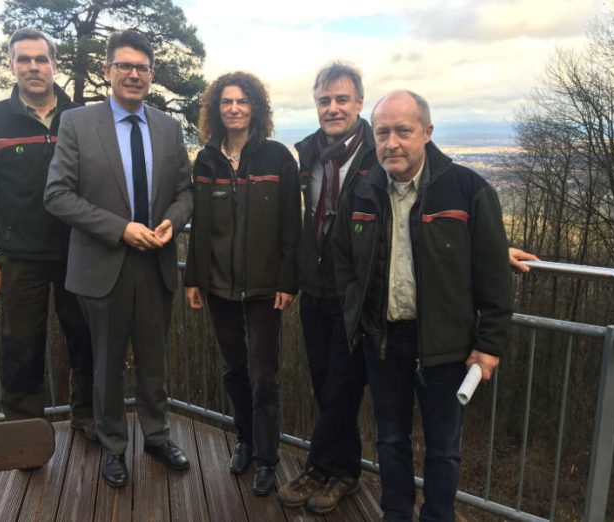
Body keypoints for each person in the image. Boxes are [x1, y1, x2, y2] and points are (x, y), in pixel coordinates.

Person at [331, 90, 513, 521]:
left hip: (446, 348)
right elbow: (342, 257)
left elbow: (493, 274)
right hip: (383, 341)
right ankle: (395, 514)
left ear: (427, 133)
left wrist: (488, 345)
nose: (391, 143)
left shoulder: (467, 188)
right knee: (390, 441)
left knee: (444, 449)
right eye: (382, 133)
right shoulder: (361, 189)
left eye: (403, 131)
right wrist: (356, 305)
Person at [44, 29, 192, 488]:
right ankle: (113, 445)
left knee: (154, 360)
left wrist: (172, 220)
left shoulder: (169, 127)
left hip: (156, 263)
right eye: (124, 66)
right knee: (105, 363)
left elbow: (186, 191)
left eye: (142, 68)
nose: (133, 74)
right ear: (107, 71)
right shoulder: (77, 123)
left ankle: (156, 434)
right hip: (103, 264)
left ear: (151, 75)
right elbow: (56, 195)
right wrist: (119, 228)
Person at [0, 27, 96, 440]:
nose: (33, 67)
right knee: (21, 348)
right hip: (19, 258)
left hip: (78, 251)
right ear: (12, 65)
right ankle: (24, 435)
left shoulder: (79, 118)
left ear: (54, 64)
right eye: (24, 59)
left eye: (41, 59)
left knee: (86, 341)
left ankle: (88, 416)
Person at [183, 71, 301, 495]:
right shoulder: (207, 161)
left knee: (264, 375)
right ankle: (246, 442)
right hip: (218, 286)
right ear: (217, 109)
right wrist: (194, 278)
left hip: (266, 288)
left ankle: (269, 459)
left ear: (256, 109)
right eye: (227, 102)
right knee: (234, 369)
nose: (234, 108)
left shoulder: (277, 158)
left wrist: (289, 279)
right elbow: (199, 229)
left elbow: (292, 226)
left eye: (242, 102)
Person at [277, 62, 375, 513]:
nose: (332, 108)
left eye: (341, 99)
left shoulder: (379, 153)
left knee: (342, 387)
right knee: (324, 384)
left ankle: (321, 467)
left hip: (357, 295)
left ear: (358, 102)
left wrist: (488, 243)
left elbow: (426, 198)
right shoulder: (309, 155)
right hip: (315, 290)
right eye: (324, 101)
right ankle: (346, 471)